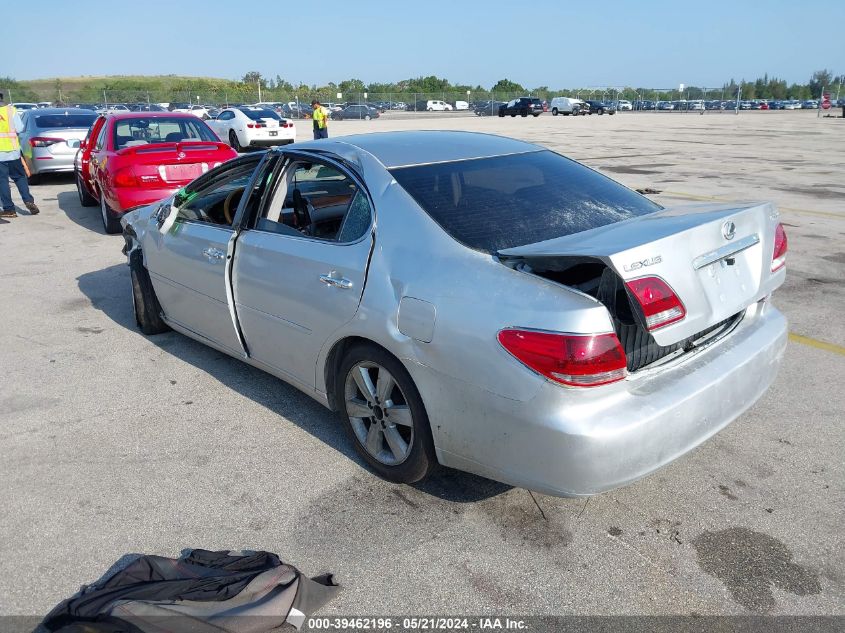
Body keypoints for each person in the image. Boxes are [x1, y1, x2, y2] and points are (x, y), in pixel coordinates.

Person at [0, 91, 39, 218]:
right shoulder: (11, 111)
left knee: (2, 181)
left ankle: (9, 209)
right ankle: (28, 200)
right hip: (13, 152)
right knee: (19, 177)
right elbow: (20, 128)